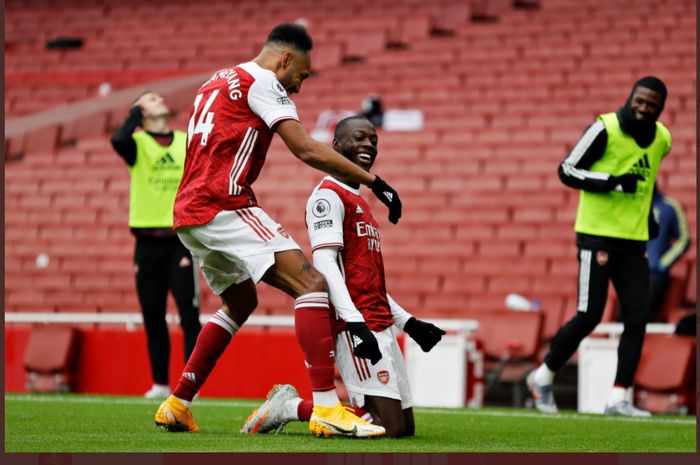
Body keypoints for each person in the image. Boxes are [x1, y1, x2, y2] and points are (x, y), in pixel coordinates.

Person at [154, 23, 403, 437]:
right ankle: (326, 406)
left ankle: (178, 402)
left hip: (188, 212)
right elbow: (305, 148)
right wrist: (375, 182)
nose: (299, 87)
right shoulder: (265, 81)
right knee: (312, 283)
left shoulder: (214, 80)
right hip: (224, 203)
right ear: (285, 59)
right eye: (301, 75)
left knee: (240, 301)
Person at [239, 116, 445, 437]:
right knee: (387, 429)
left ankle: (303, 407)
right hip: (358, 324)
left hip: (380, 321)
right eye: (358, 138)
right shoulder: (328, 197)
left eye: (373, 141)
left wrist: (408, 323)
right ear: (336, 146)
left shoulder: (361, 201)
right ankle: (291, 407)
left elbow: (368, 280)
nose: (368, 145)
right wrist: (354, 323)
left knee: (404, 429)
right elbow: (325, 265)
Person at [527, 76, 672, 417]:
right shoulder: (605, 128)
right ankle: (543, 376)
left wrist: (648, 216)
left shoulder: (662, 138)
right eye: (639, 100)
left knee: (637, 317)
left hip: (634, 240)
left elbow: (647, 180)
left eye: (651, 104)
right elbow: (566, 170)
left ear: (660, 109)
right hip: (597, 236)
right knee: (590, 315)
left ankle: (618, 397)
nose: (643, 107)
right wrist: (611, 182)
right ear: (630, 97)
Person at [110, 92, 202, 399]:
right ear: (140, 109)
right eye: (151, 98)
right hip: (146, 245)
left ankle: (191, 385)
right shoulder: (137, 144)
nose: (160, 99)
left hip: (180, 242)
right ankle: (160, 384)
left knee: (189, 317)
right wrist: (136, 113)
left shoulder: (183, 140)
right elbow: (118, 140)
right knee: (153, 316)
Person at [647, 186, 690, 320]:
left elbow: (684, 239)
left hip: (655, 273)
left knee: (639, 314)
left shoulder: (669, 206)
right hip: (632, 272)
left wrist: (663, 263)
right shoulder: (631, 205)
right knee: (623, 317)